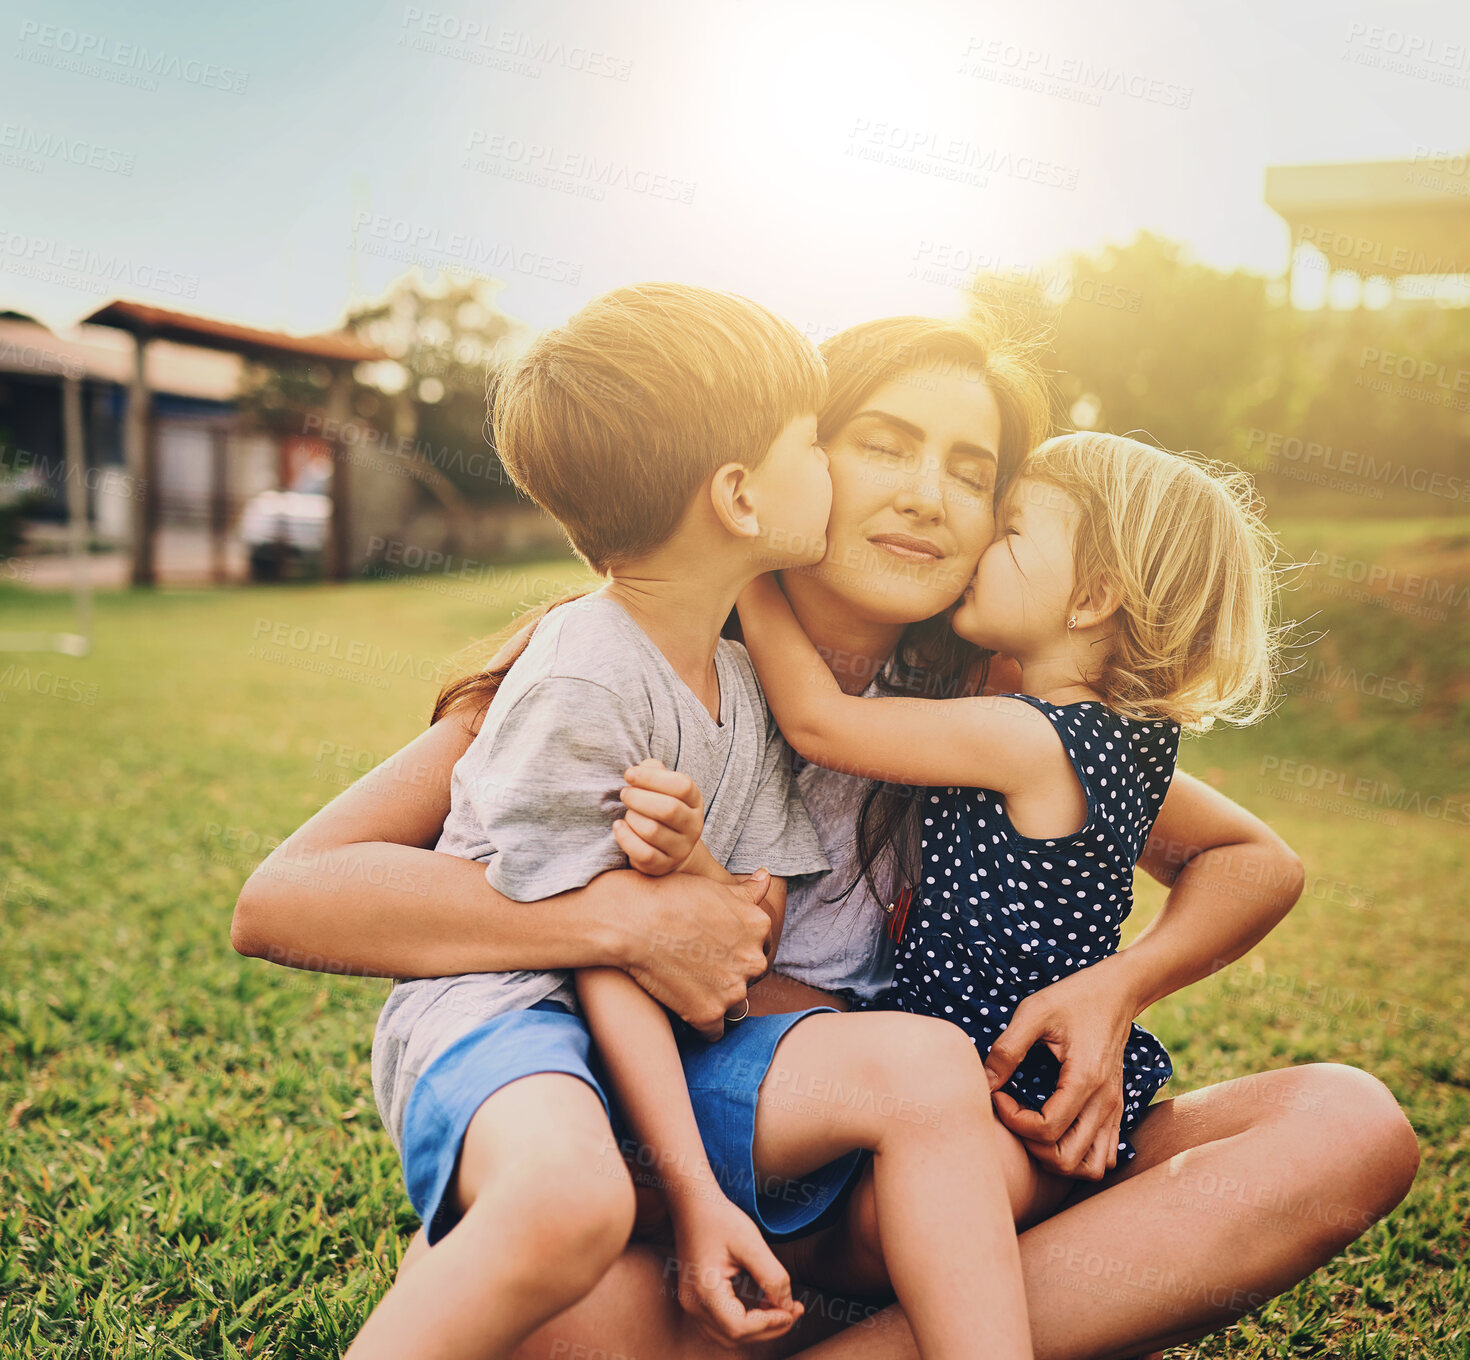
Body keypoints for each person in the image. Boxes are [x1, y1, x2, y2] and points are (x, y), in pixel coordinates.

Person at [233, 315, 1419, 1360]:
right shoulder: (640, 663)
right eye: (884, 444)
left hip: (928, 1158)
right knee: (570, 1324)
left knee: (1348, 1123)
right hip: (715, 1148)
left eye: (974, 472)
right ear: (779, 468)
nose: (927, 495)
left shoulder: (982, 699)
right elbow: (286, 899)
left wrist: (1120, 985)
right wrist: (622, 920)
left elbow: (1247, 856)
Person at [347, 284, 1037, 1360]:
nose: (928, 496)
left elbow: (723, 925)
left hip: (724, 1093)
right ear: (741, 492)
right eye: (848, 443)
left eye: (972, 469)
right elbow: (601, 941)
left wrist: (698, 878)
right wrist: (647, 917)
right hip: (537, 1037)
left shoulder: (767, 692)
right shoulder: (585, 667)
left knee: (969, 1132)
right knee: (572, 1222)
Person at [734, 430, 1282, 1171]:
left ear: (1089, 600)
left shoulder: (1025, 737)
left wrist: (742, 568)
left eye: (1013, 530)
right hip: (1026, 1078)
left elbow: (818, 722)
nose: (985, 540)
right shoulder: (1125, 741)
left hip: (979, 1074)